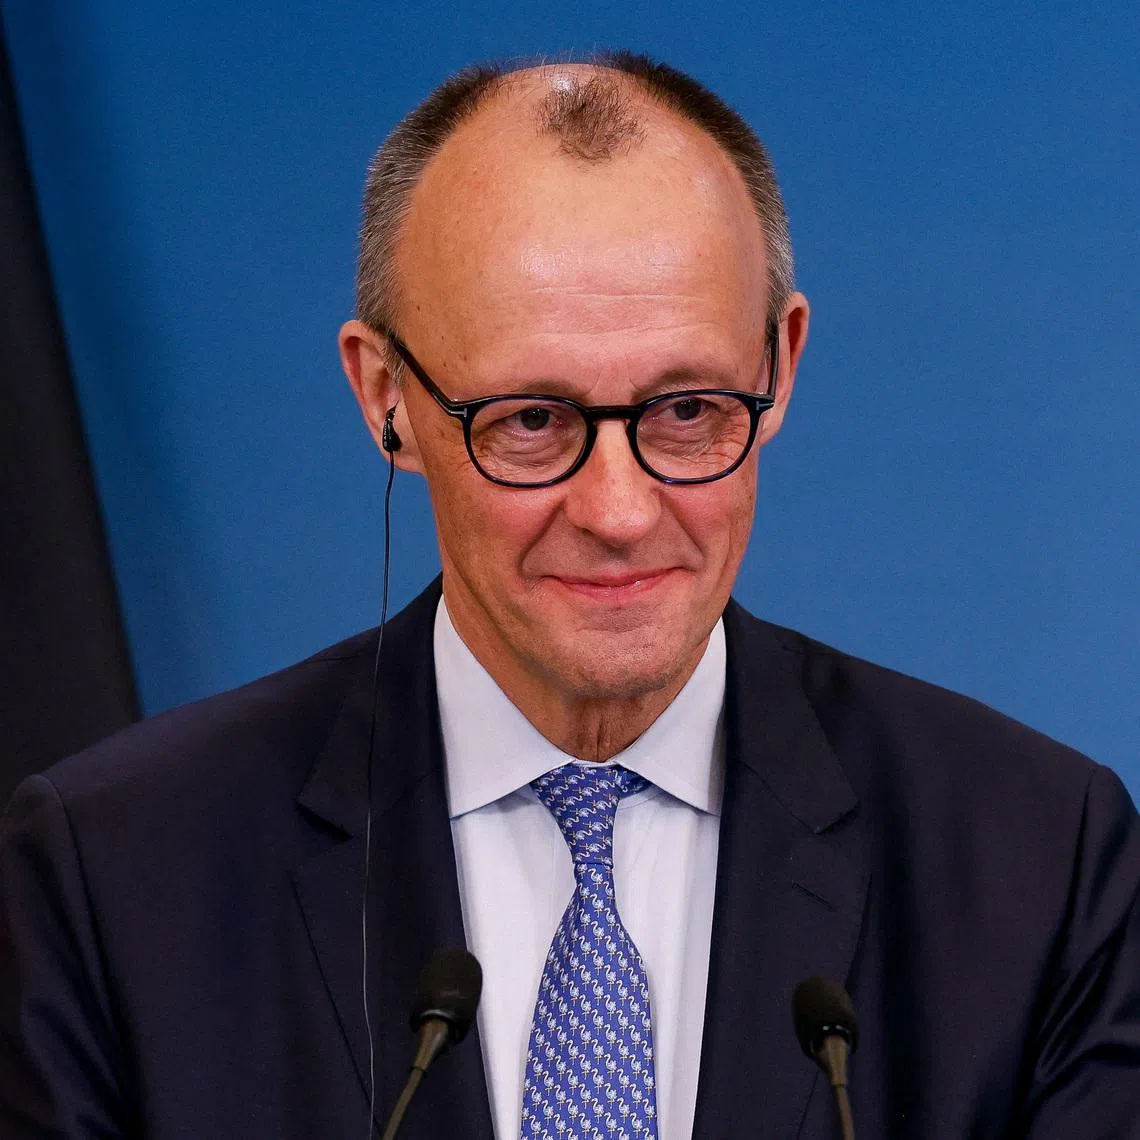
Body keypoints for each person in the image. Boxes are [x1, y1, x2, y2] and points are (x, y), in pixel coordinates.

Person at [2, 52, 1138, 1140]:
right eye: (533, 420)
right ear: (387, 396)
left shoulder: (1040, 863)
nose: (620, 511)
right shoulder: (114, 877)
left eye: (687, 411)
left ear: (781, 365)